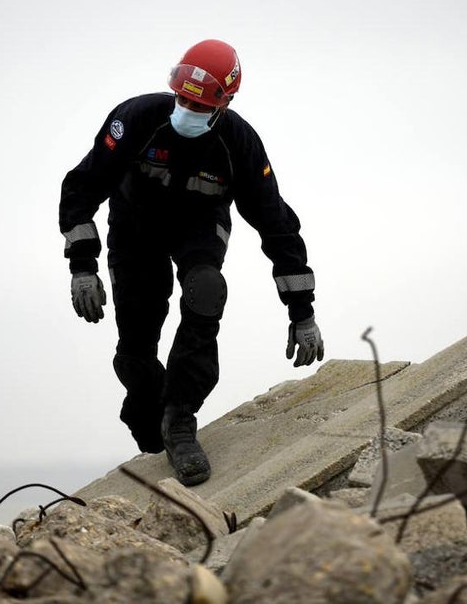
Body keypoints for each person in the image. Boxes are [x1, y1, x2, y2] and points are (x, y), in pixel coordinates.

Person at [58, 39, 323, 486]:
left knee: (206, 292)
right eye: (182, 98)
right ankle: (149, 406)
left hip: (199, 230)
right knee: (137, 344)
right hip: (135, 230)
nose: (186, 108)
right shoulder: (135, 119)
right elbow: (82, 187)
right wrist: (83, 265)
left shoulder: (239, 143)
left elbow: (277, 225)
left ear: (225, 103)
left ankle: (181, 421)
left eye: (198, 104)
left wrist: (303, 314)